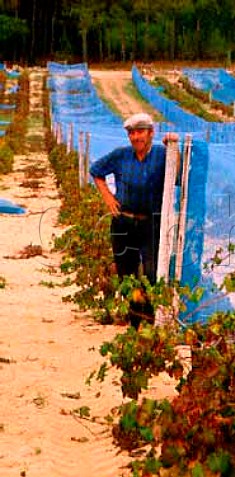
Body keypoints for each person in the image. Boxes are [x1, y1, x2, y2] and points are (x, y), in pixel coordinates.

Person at [89, 112, 179, 326]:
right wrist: (109, 198)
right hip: (123, 223)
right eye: (132, 133)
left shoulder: (161, 154)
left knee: (150, 273)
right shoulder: (121, 155)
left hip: (151, 223)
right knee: (126, 274)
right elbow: (96, 171)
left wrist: (172, 149)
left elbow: (179, 175)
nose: (136, 137)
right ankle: (135, 322)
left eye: (140, 132)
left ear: (151, 133)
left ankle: (148, 320)